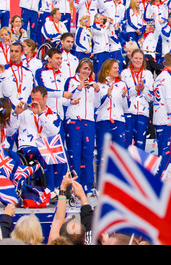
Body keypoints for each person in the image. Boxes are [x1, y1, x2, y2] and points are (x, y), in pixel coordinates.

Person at [11, 86, 66, 194]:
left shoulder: (53, 115)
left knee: (61, 153)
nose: (34, 102)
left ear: (45, 97)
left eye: (37, 99)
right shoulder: (24, 112)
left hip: (45, 146)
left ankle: (57, 188)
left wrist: (40, 115)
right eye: (32, 99)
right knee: (44, 153)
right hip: (27, 147)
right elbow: (11, 130)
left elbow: (54, 132)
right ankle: (49, 190)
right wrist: (15, 114)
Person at [64, 58, 99, 195]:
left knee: (88, 155)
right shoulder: (71, 81)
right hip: (74, 121)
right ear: (79, 69)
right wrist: (79, 88)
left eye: (89, 69)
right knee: (74, 155)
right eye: (84, 68)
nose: (86, 71)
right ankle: (73, 186)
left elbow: (96, 104)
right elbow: (67, 99)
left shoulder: (92, 84)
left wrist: (96, 90)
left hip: (89, 121)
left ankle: (87, 186)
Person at [95, 59, 129, 177]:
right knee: (102, 155)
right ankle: (101, 186)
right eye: (114, 67)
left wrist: (125, 96)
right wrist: (107, 95)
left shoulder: (122, 84)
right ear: (107, 69)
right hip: (103, 122)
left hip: (119, 122)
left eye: (117, 67)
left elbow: (126, 107)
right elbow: (97, 106)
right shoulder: (99, 85)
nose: (117, 70)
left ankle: (118, 187)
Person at [121, 49, 154, 150]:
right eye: (136, 58)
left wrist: (143, 89)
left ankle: (138, 166)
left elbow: (151, 97)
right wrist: (135, 89)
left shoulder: (148, 74)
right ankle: (126, 166)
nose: (138, 60)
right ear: (131, 59)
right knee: (126, 144)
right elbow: (123, 94)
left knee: (140, 145)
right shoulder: (124, 73)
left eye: (140, 58)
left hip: (142, 113)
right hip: (128, 112)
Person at [35, 48, 73, 121]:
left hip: (59, 116)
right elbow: (43, 91)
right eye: (57, 58)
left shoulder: (61, 75)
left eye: (61, 59)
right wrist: (62, 94)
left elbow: (61, 99)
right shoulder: (40, 72)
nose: (60, 61)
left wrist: (71, 102)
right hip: (45, 114)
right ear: (49, 59)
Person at [1, 42, 35, 108]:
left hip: (24, 109)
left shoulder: (28, 72)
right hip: (8, 110)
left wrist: (25, 107)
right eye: (11, 51)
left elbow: (32, 93)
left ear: (22, 53)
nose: (13, 53)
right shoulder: (3, 70)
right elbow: (3, 93)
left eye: (16, 51)